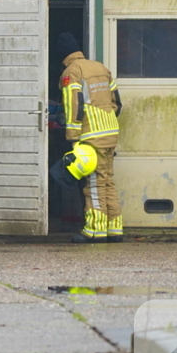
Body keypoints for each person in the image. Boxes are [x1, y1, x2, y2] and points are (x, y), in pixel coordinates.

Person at [57, 32, 124, 243]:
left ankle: (95, 231)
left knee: (93, 184)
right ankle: (114, 229)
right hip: (110, 133)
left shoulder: (72, 71)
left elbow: (73, 105)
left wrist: (73, 136)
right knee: (107, 181)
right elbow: (117, 103)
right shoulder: (100, 67)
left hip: (91, 136)